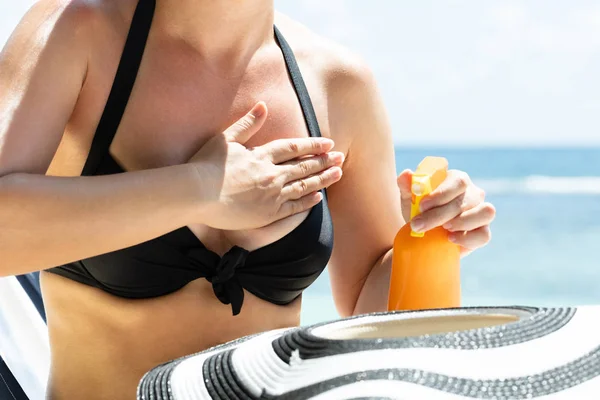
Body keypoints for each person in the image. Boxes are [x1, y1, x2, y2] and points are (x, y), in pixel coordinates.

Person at [0, 0, 496, 399]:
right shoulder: (81, 30)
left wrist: (431, 236)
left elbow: (372, 311)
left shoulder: (336, 80)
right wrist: (198, 188)